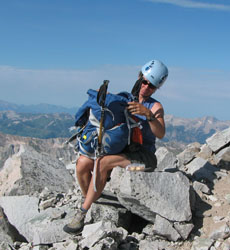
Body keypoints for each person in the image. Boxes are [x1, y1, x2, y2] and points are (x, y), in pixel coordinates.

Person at [63, 59, 169, 234]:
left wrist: (148, 115)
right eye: (144, 81)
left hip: (144, 160)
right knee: (82, 162)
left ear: (156, 88)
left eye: (151, 86)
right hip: (123, 153)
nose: (145, 87)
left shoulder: (155, 106)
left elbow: (161, 133)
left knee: (103, 162)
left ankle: (82, 213)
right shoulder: (124, 98)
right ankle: (92, 197)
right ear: (139, 77)